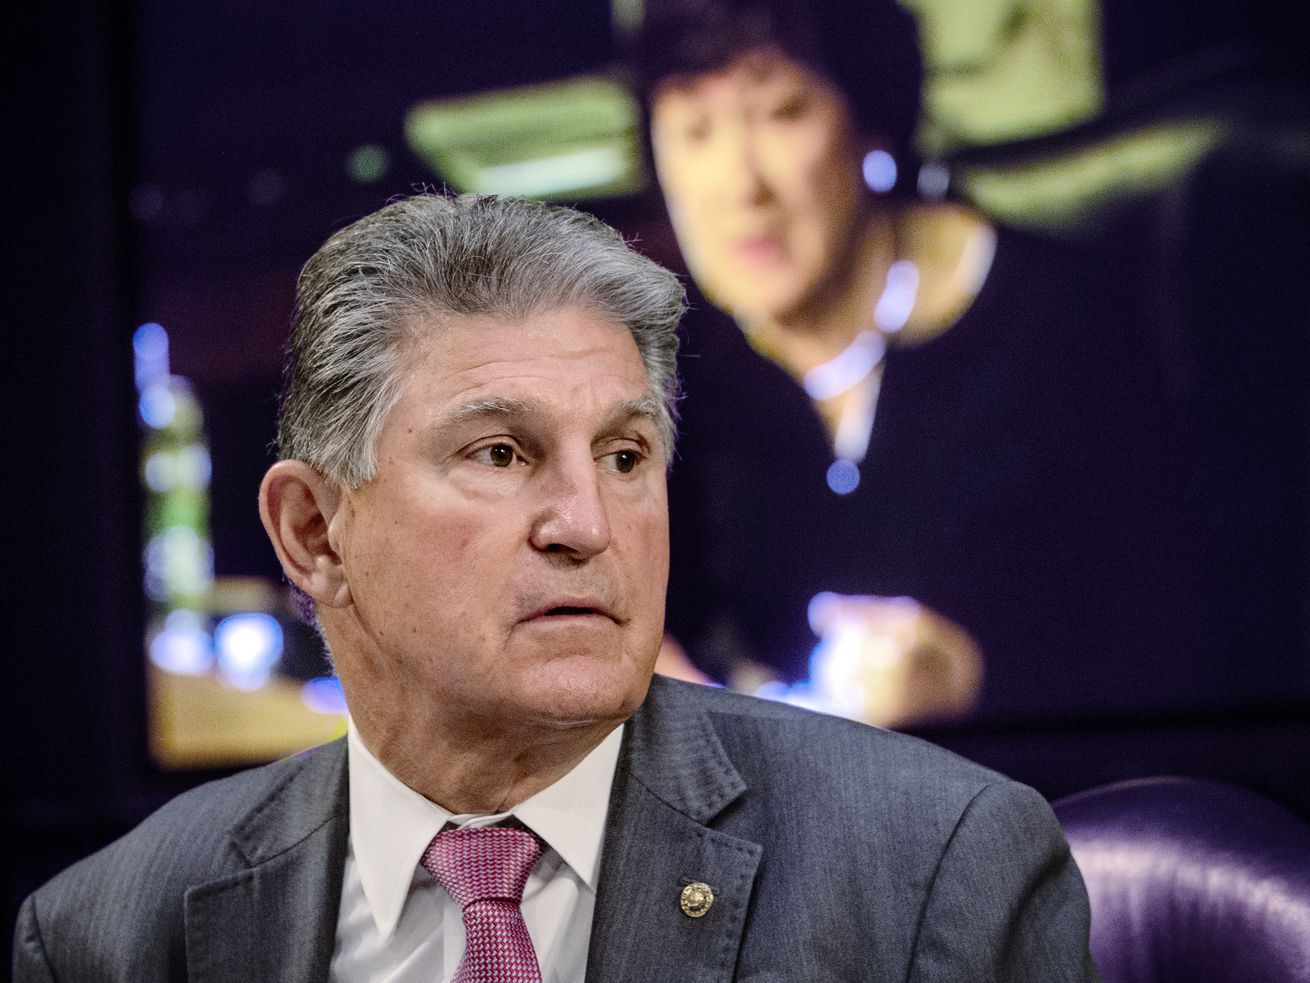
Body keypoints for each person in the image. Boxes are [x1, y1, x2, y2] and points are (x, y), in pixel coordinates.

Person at [12, 193, 1102, 981]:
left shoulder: (937, 868)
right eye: (499, 453)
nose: (588, 525)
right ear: (313, 531)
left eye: (625, 458)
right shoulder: (107, 934)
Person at [634, 0, 1258, 725]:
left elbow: (1189, 653)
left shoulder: (1062, 331)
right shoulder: (666, 363)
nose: (740, 184)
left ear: (869, 122)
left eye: (782, 112)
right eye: (694, 130)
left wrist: (973, 683)